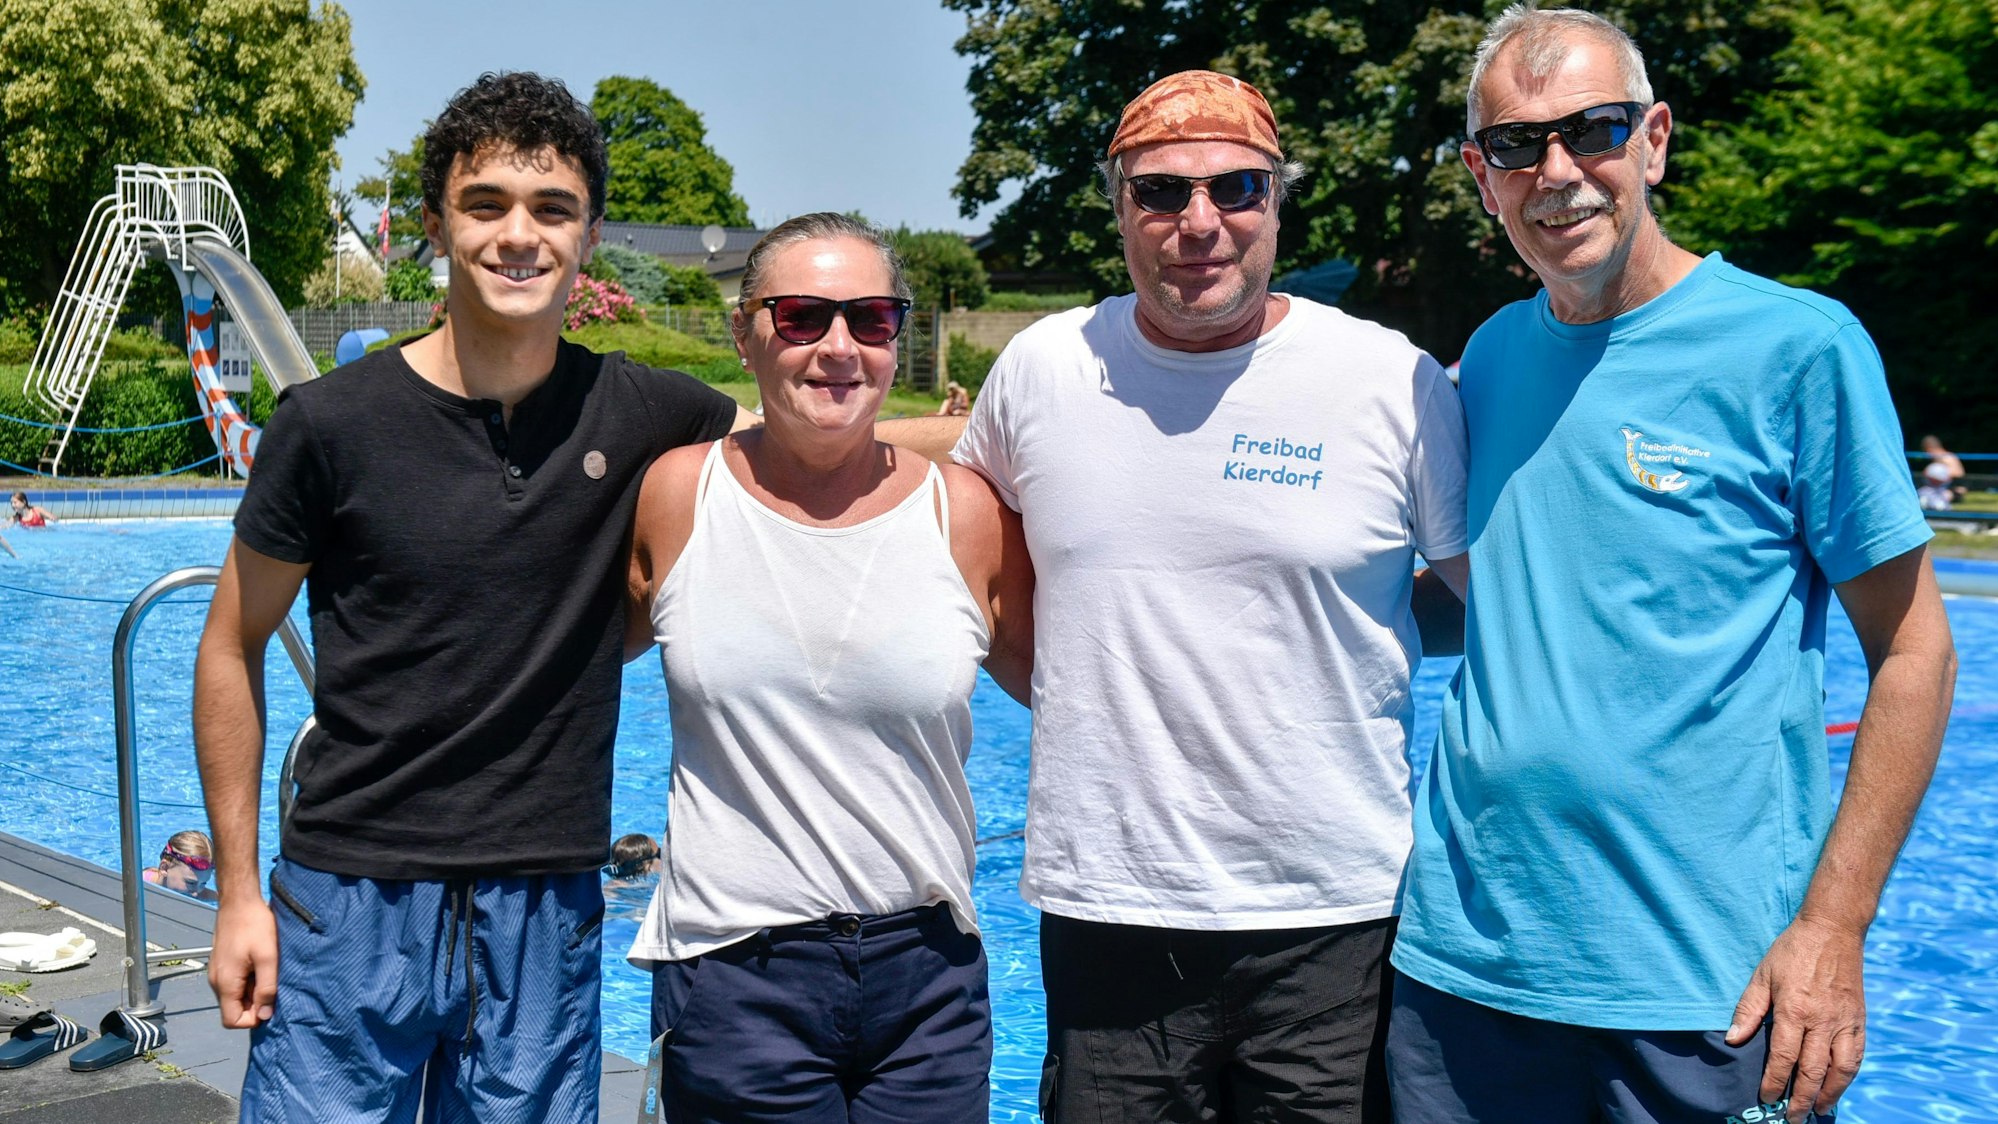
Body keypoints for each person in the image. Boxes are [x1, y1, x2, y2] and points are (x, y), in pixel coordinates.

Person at [191, 71, 818, 1122]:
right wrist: (240, 894)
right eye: (485, 204)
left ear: (589, 234)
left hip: (544, 908)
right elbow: (229, 643)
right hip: (349, 896)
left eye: (551, 209)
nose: (518, 235)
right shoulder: (329, 424)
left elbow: (814, 448)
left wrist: (1002, 437)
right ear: (436, 223)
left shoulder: (644, 411)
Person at [1389, 9, 1956, 1124]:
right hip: (1465, 974)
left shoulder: (1798, 348)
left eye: (1593, 129)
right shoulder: (1490, 359)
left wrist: (1834, 926)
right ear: (1480, 176)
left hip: (1710, 987)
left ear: (1652, 140)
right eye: (1517, 145)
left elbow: (1915, 652)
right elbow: (1495, 593)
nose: (1558, 172)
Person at [952, 71, 1469, 1122]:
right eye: (1160, 192)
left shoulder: (1389, 379)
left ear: (1277, 200)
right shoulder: (1044, 369)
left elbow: (1497, 607)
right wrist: (1084, 694)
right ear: (1118, 206)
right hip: (1111, 910)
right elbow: (984, 580)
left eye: (1236, 187)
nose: (1199, 223)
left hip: (1335, 916)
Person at [625, 212, 1032, 1123]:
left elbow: (1080, 691)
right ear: (745, 335)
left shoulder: (964, 515)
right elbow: (554, 661)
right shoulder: (679, 496)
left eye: (871, 319)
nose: (839, 347)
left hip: (928, 984)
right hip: (735, 972)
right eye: (802, 316)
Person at [143, 830, 219, 902]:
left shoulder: (198, 891)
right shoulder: (141, 884)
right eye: (190, 883)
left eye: (203, 884)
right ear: (165, 868)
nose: (195, 894)